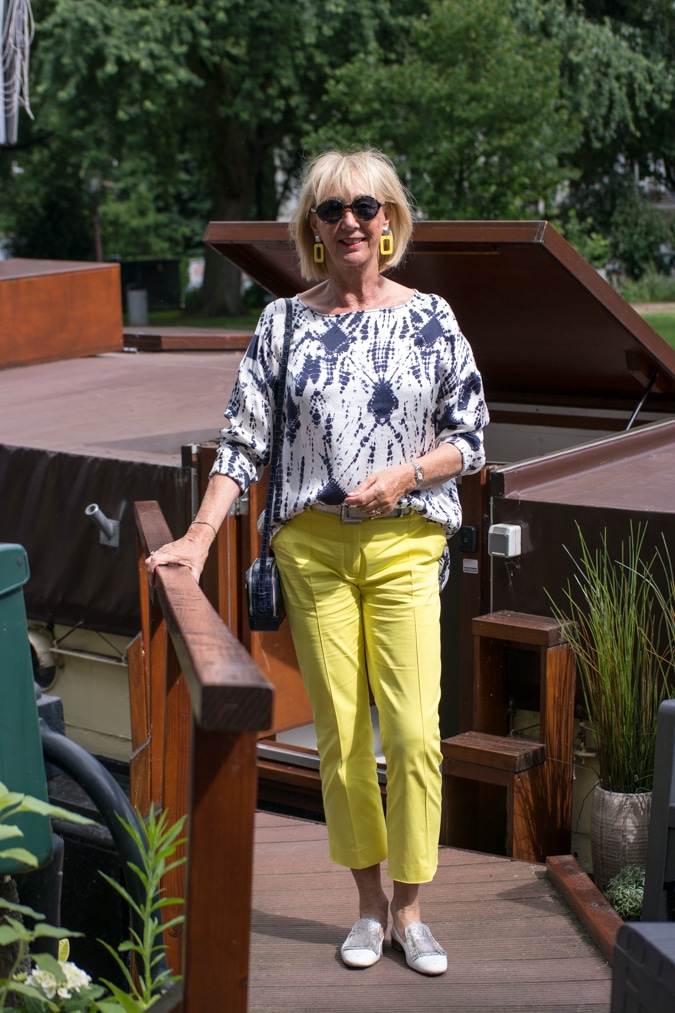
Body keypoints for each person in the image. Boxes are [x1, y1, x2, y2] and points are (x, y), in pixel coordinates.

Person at [147, 149, 489, 976]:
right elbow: (242, 441)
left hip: (406, 540)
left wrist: (404, 473)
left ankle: (412, 907)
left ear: (390, 219)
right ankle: (369, 906)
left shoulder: (431, 317)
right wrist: (196, 537)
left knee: (410, 734)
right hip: (312, 549)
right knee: (340, 736)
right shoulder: (282, 323)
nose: (349, 223)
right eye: (329, 211)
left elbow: (471, 438)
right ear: (311, 228)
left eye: (365, 208)